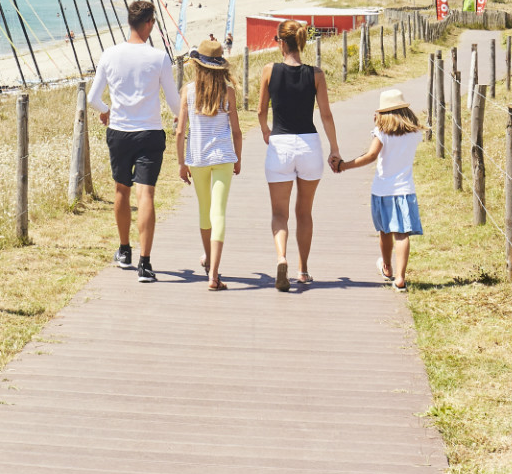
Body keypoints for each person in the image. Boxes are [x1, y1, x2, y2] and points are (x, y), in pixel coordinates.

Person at [86, 0, 180, 283]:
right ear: (150, 23)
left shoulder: (110, 54)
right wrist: (182, 121)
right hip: (150, 132)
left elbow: (92, 98)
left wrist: (106, 112)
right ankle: (146, 263)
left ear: (130, 22)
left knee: (121, 190)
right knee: (147, 194)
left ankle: (124, 250)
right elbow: (175, 103)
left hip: (119, 132)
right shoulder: (159, 57)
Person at [254, 19, 340, 291]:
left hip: (280, 145)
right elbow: (325, 114)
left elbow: (260, 111)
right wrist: (335, 149)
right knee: (304, 212)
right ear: (300, 42)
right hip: (309, 146)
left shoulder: (269, 70)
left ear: (281, 42)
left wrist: (266, 131)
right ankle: (303, 270)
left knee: (279, 213)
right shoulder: (316, 74)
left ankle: (281, 258)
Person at [336, 89, 425, 290]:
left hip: (383, 190)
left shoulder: (382, 133)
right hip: (405, 190)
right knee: (402, 234)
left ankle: (387, 266)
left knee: (385, 230)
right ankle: (400, 277)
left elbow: (370, 155)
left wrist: (343, 165)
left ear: (383, 113)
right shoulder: (415, 133)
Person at [175, 38, 241, 290]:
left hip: (198, 158)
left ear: (197, 66)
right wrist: (238, 158)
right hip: (223, 157)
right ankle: (214, 273)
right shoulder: (229, 92)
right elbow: (236, 131)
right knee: (219, 212)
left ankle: (209, 262)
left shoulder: (188, 92)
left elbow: (180, 131)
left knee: (205, 211)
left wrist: (181, 163)